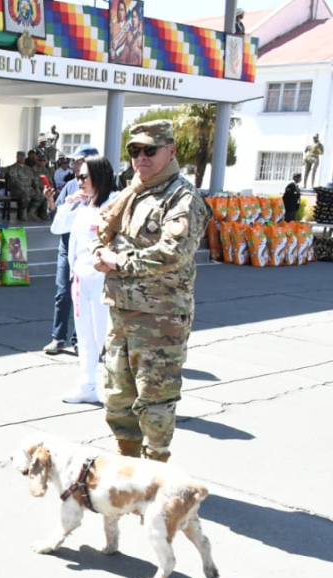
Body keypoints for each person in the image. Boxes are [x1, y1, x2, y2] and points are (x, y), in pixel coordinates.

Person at [92, 120, 211, 463]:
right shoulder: (134, 192)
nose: (140, 157)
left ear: (170, 151)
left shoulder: (182, 197)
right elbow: (110, 236)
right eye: (134, 150)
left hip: (160, 316)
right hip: (122, 309)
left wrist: (118, 261)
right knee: (117, 396)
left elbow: (174, 252)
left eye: (149, 150)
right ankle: (128, 468)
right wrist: (102, 256)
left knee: (155, 400)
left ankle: (156, 474)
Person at [45, 155, 117, 404]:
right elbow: (57, 228)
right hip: (81, 279)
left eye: (83, 177)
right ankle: (87, 385)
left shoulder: (114, 203)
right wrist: (67, 203)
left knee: (105, 336)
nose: (79, 181)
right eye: (77, 177)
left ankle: (114, 387)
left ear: (100, 175)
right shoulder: (82, 206)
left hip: (104, 280)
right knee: (85, 334)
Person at [44, 144, 100, 354]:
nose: (75, 166)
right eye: (74, 162)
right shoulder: (69, 186)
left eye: (79, 161)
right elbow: (55, 219)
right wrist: (51, 200)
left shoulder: (104, 189)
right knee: (63, 293)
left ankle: (79, 340)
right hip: (67, 248)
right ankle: (58, 337)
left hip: (88, 252)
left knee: (84, 296)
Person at [4, 151, 40, 221]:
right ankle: (23, 213)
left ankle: (31, 213)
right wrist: (24, 188)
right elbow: (14, 180)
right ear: (17, 157)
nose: (22, 158)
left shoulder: (28, 168)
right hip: (17, 190)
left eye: (23, 157)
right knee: (26, 193)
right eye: (20, 157)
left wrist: (37, 188)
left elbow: (34, 179)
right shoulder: (13, 167)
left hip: (28, 189)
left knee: (40, 195)